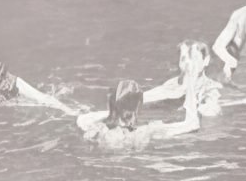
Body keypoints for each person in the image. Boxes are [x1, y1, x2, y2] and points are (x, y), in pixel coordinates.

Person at [76, 40, 223, 132]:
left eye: (194, 58)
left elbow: (210, 113)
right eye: (184, 58)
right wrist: (105, 113)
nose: (188, 64)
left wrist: (205, 108)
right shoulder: (172, 83)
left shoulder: (211, 88)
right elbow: (144, 99)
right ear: (179, 62)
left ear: (206, 61)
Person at [81, 76, 201, 148]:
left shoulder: (98, 128)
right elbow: (192, 124)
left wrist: (110, 113)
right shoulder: (146, 131)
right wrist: (191, 81)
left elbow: (82, 119)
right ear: (138, 107)